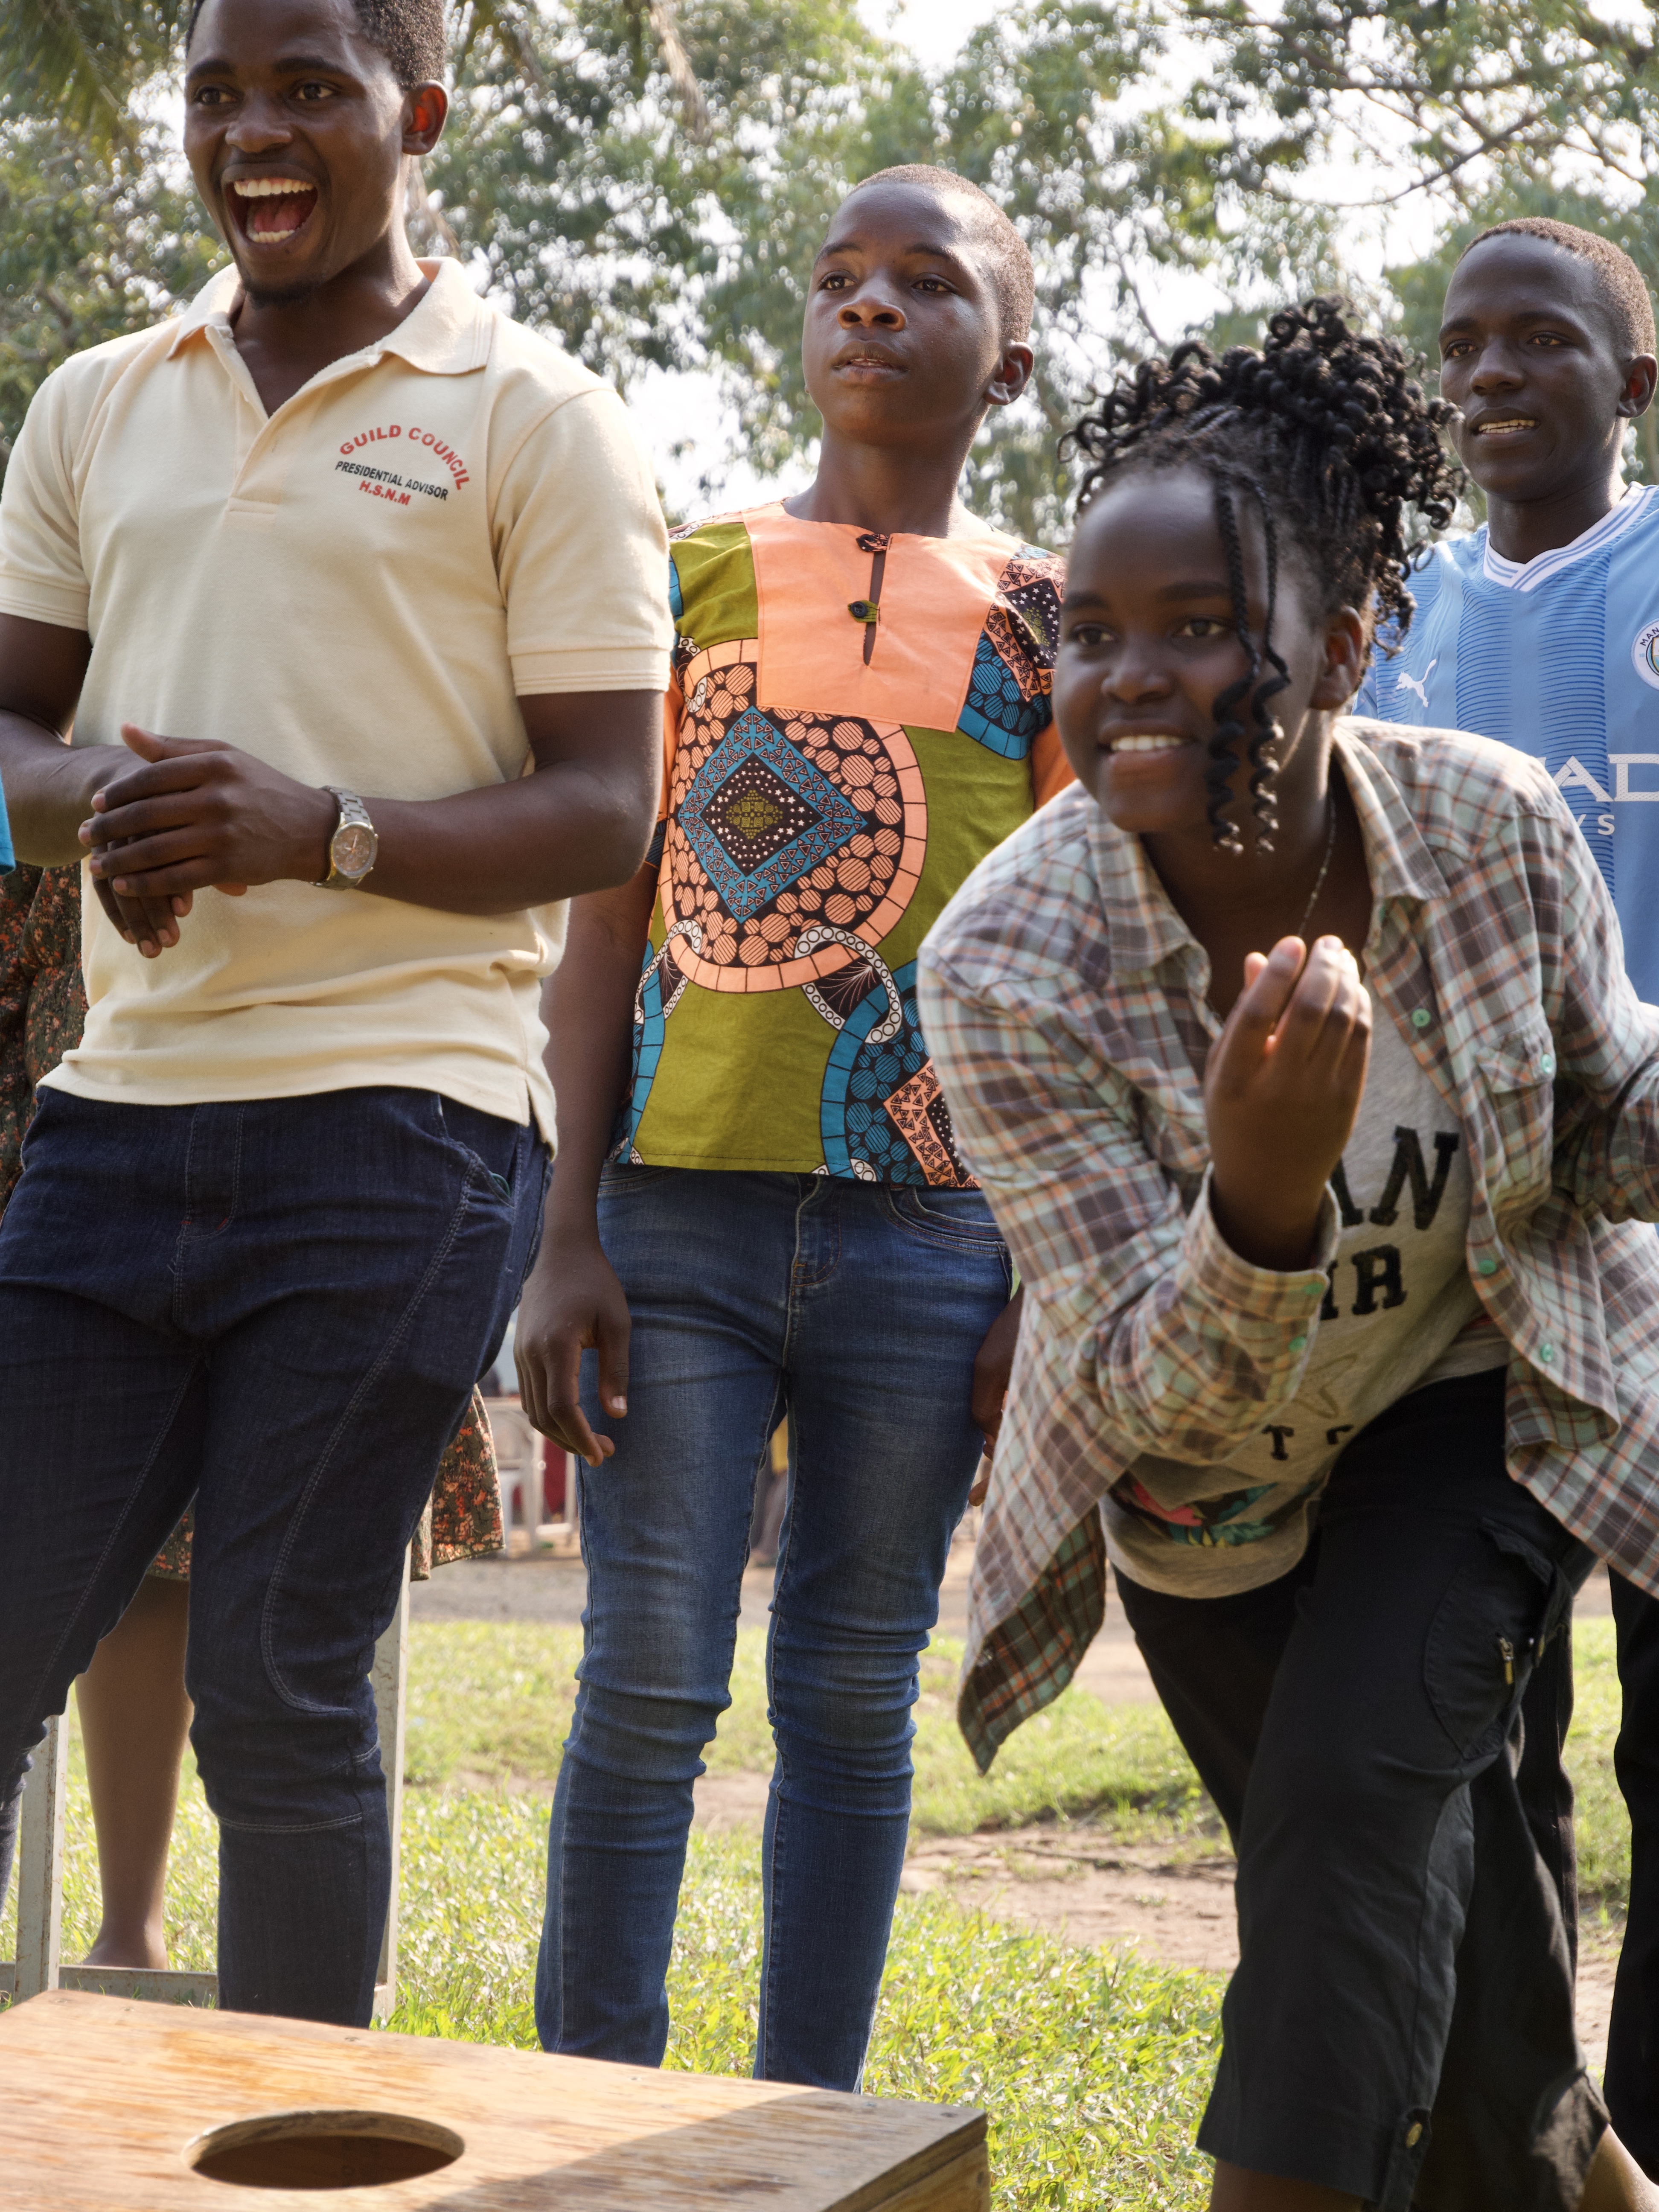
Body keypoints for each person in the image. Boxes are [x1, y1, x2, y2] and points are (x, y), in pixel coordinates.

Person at [920, 297, 1659, 2208]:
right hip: (1201, 1487)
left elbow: (1607, 1119)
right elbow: (1127, 1381)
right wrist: (1259, 1201)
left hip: (1469, 1398)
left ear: (1344, 644)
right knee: (1403, 1894)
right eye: (1090, 634)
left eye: (1201, 629)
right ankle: (1579, 2171)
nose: (1132, 679)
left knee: (1342, 1817)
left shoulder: (1489, 835)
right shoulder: (1008, 961)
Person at [0, 0, 670, 2026]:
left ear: (421, 115)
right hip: (116, 1119)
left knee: (277, 1680)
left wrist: (327, 833)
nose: (253, 132)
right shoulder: (103, 398)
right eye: (218, 93)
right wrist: (101, 803)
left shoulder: (535, 414)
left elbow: (606, 804)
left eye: (310, 89)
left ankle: (305, 2156)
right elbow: (9, 733)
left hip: (405, 1128)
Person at [513, 163, 1070, 2091]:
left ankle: (807, 2126)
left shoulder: (1053, 625)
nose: (872, 309)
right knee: (648, 1680)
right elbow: (601, 934)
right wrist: (563, 1229)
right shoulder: (690, 579)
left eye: (929, 284)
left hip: (938, 1240)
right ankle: (585, 2096)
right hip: (672, 1221)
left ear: (1011, 358)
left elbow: (1076, 981)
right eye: (840, 278)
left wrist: (1039, 1280)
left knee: (848, 1690)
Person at [1355, 216, 1659, 2174]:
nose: (1487, 377)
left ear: (1632, 383)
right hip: (1476, 1244)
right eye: (1460, 347)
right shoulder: (1404, 610)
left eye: (1537, 341)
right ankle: (1528, 2150)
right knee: (1487, 1725)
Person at [0, 856, 507, 1972]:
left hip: (375, 1111)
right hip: (108, 1103)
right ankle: (130, 1936)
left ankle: (291, 2115)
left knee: (276, 1682)